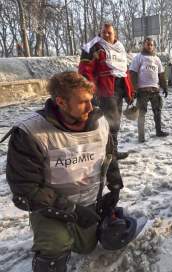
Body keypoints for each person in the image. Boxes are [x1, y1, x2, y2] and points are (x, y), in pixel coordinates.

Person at [2, 72, 146, 272]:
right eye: (82, 102)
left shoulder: (99, 122)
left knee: (95, 243)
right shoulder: (30, 133)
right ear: (61, 102)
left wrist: (114, 188)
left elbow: (109, 157)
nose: (90, 107)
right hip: (51, 208)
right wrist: (72, 210)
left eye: (91, 100)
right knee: (55, 244)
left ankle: (82, 232)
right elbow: (25, 189)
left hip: (89, 203)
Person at [78, 23, 133, 160]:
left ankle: (111, 151)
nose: (106, 35)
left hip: (119, 88)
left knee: (115, 121)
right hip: (105, 90)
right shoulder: (94, 47)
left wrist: (130, 91)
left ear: (115, 34)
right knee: (111, 123)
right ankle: (110, 154)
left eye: (109, 33)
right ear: (100, 33)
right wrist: (91, 90)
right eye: (104, 32)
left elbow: (124, 71)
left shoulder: (119, 48)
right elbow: (85, 70)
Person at [129, 37, 168, 143]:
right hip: (142, 90)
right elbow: (132, 73)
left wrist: (164, 86)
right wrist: (134, 88)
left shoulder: (157, 59)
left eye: (151, 45)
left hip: (155, 90)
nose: (149, 46)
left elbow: (161, 74)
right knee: (141, 113)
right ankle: (141, 136)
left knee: (157, 111)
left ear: (153, 46)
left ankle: (158, 131)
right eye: (147, 44)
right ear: (144, 45)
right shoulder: (138, 58)